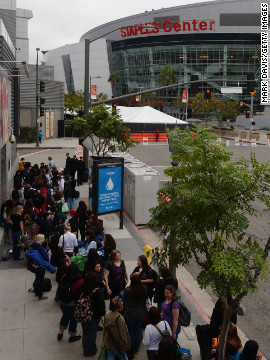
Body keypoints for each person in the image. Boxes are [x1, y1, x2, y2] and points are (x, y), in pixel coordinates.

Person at [76, 272, 106, 357]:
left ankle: (86, 351)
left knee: (85, 332)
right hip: (94, 316)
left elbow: (76, 299)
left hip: (83, 314)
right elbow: (101, 304)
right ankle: (92, 350)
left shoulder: (81, 288)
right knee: (92, 333)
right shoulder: (97, 291)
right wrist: (102, 313)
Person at [57, 263, 83, 342]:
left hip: (63, 302)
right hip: (73, 303)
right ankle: (72, 336)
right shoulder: (79, 280)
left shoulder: (64, 277)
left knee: (65, 316)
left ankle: (60, 333)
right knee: (73, 320)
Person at [123, 274, 148, 354]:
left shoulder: (127, 290)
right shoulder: (144, 289)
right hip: (141, 313)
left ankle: (132, 347)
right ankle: (137, 348)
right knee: (137, 329)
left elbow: (125, 300)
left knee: (130, 330)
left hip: (130, 314)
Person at [31, 234, 49, 300]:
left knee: (37, 278)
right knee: (40, 280)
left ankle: (37, 291)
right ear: (40, 240)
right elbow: (45, 257)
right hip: (41, 266)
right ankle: (40, 295)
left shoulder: (34, 245)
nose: (44, 240)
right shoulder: (40, 247)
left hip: (35, 265)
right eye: (43, 239)